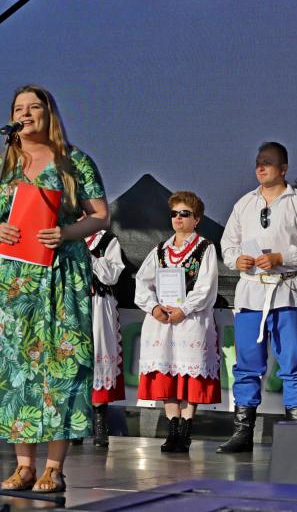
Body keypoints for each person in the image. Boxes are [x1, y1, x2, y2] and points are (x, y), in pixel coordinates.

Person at [0, 85, 110, 493]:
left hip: (62, 272)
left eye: (34, 107)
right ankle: (23, 465)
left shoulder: (73, 161)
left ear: (50, 114)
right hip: (17, 279)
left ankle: (54, 467)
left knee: (62, 364)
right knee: (18, 367)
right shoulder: (6, 164)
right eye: (19, 108)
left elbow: (100, 215)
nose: (25, 114)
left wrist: (65, 232)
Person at [217, 142, 297, 453]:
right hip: (251, 293)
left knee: (292, 362)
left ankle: (296, 433)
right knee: (247, 363)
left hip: (285, 292)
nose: (261, 167)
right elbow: (228, 245)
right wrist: (236, 260)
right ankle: (243, 431)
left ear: (284, 168)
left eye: (268, 162)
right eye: (258, 162)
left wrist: (280, 257)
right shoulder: (244, 203)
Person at [135, 191, 220, 454]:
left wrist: (184, 309)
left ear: (197, 219)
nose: (178, 218)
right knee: (167, 373)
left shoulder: (205, 248)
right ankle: (172, 428)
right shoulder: (160, 249)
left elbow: (206, 287)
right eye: (174, 213)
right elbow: (142, 282)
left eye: (185, 213)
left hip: (190, 321)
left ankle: (186, 429)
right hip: (163, 320)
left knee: (189, 374)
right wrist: (154, 307)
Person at [85, 228, 127, 447]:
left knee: (98, 357)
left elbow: (111, 276)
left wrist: (88, 255)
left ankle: (100, 422)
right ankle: (74, 424)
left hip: (98, 305)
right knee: (70, 358)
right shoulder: (61, 234)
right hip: (69, 302)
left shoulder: (107, 240)